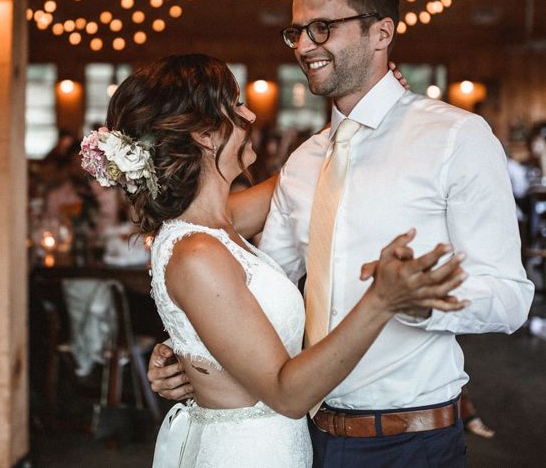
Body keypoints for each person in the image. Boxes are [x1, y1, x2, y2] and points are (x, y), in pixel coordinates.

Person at [148, 0, 534, 467]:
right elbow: (260, 289)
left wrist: (418, 302)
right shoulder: (304, 162)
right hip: (304, 435)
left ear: (381, 32)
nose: (305, 46)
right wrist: (191, 352)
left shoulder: (455, 138)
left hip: (410, 440)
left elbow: (511, 300)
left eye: (323, 28)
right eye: (298, 32)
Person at [83, 54, 468, 467]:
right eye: (233, 105)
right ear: (204, 134)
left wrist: (369, 109)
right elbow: (288, 394)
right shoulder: (196, 252)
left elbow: (310, 175)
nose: (249, 114)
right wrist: (382, 300)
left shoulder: (214, 224)